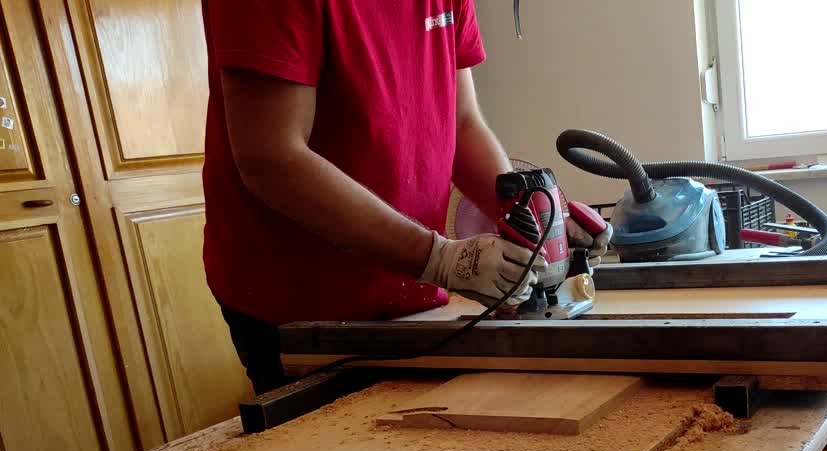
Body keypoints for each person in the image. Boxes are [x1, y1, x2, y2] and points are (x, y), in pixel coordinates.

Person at [201, 0, 610, 394]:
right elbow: (272, 158)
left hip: (410, 285)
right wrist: (437, 258)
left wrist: (533, 213)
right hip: (300, 304)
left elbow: (461, 122)